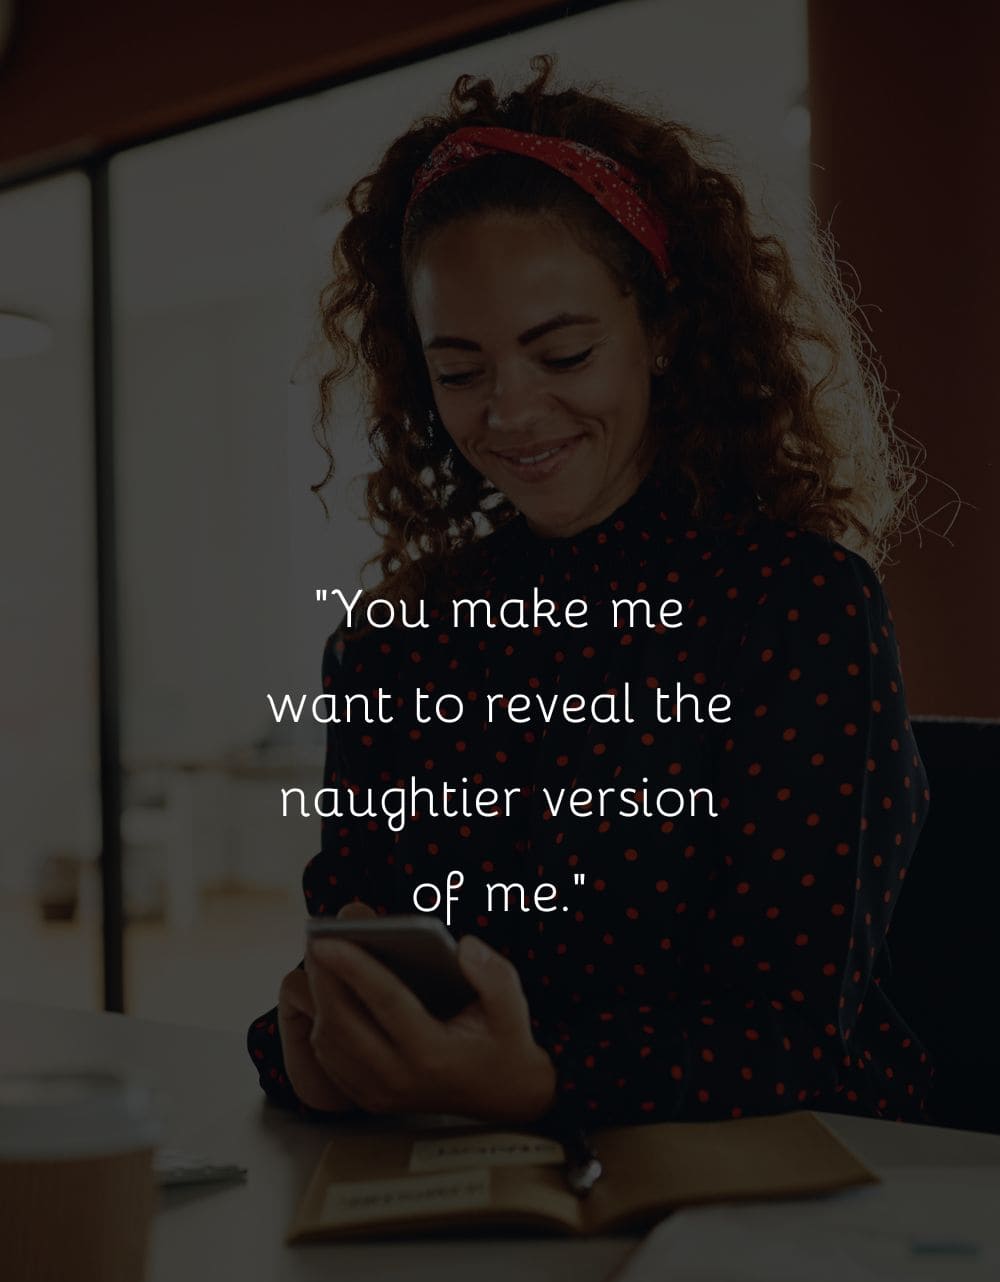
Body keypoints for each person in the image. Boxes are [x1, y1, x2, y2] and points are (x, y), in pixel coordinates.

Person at [247, 58, 932, 1130]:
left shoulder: (796, 608)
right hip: (468, 1174)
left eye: (561, 352)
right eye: (461, 371)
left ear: (662, 333)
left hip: (769, 1187)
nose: (511, 413)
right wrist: (320, 1046)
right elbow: (363, 961)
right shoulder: (392, 645)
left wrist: (537, 1081)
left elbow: (789, 1039)